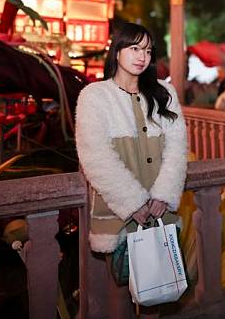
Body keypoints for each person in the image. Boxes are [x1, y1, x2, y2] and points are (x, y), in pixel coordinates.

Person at [75, 23, 187, 312]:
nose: (142, 56)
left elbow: (177, 147)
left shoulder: (164, 93)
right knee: (122, 294)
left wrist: (163, 194)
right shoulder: (95, 96)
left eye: (148, 50)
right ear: (117, 50)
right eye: (135, 48)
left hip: (161, 211)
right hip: (119, 214)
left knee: (160, 289)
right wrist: (133, 202)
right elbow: (95, 155)